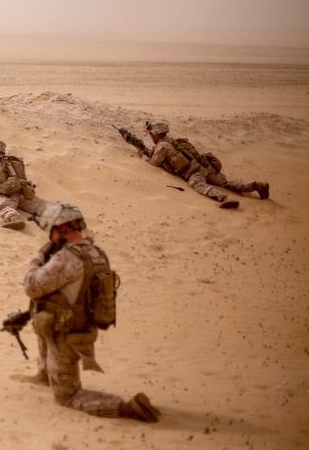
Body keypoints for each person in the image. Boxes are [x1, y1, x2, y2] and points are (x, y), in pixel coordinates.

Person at [23, 201, 161, 422]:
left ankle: (126, 408)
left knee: (67, 397)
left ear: (60, 229)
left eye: (51, 232)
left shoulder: (66, 258)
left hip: (66, 337)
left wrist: (39, 256)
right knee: (41, 314)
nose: (49, 238)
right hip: (82, 326)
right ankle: (44, 375)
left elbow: (31, 286)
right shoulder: (97, 253)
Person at [139, 121, 268, 208]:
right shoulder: (173, 141)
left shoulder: (162, 146)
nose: (151, 136)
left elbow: (154, 163)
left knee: (199, 185)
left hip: (194, 172)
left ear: (158, 133)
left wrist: (143, 155)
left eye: (152, 134)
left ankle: (223, 198)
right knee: (226, 183)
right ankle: (256, 185)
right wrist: (147, 151)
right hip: (206, 166)